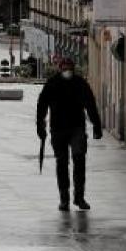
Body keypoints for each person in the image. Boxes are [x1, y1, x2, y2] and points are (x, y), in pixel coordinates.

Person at [36, 57, 103, 211]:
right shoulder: (52, 84)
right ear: (60, 69)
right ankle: (64, 198)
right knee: (62, 163)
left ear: (73, 69)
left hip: (76, 128)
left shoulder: (80, 83)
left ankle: (79, 197)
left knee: (79, 160)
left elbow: (90, 104)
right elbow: (42, 105)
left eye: (69, 69)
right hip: (58, 129)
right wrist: (40, 125)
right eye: (64, 68)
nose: (67, 71)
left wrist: (96, 125)